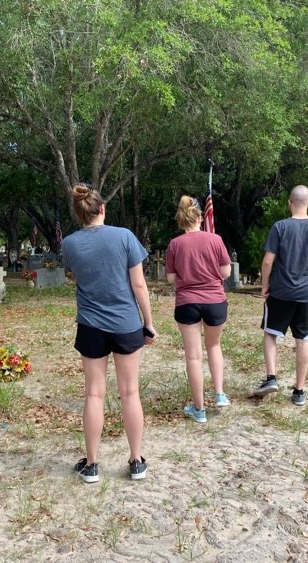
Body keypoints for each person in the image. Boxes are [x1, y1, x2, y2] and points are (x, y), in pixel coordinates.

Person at [62, 183, 156, 483]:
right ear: (102, 208)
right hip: (127, 323)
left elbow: (77, 275)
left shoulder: (70, 244)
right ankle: (136, 459)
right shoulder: (125, 237)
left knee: (93, 394)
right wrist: (149, 322)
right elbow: (139, 285)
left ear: (80, 214)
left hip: (90, 325)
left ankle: (91, 464)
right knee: (130, 393)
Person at [252, 185, 308, 407]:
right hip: (306, 293)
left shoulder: (280, 227)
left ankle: (271, 378)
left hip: (280, 291)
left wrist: (264, 286)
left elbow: (268, 260)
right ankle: (299, 390)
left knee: (271, 334)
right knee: (303, 339)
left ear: (289, 202)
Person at [165, 196, 232, 423]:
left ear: (181, 220)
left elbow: (171, 278)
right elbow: (226, 273)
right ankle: (220, 394)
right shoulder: (215, 239)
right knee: (213, 346)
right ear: (200, 218)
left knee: (193, 356)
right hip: (214, 300)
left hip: (187, 302)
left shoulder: (175, 244)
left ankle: (199, 409)